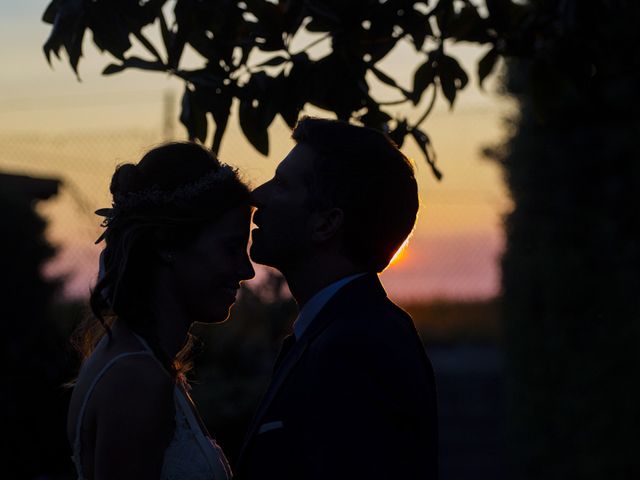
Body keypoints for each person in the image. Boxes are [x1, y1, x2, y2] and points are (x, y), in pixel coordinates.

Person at [236, 117, 438, 479]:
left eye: (281, 185)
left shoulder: (354, 347)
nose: (257, 197)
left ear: (326, 223)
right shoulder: (340, 332)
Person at [66, 142, 254, 480]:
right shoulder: (136, 379)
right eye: (231, 247)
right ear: (167, 243)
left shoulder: (144, 362)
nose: (247, 270)